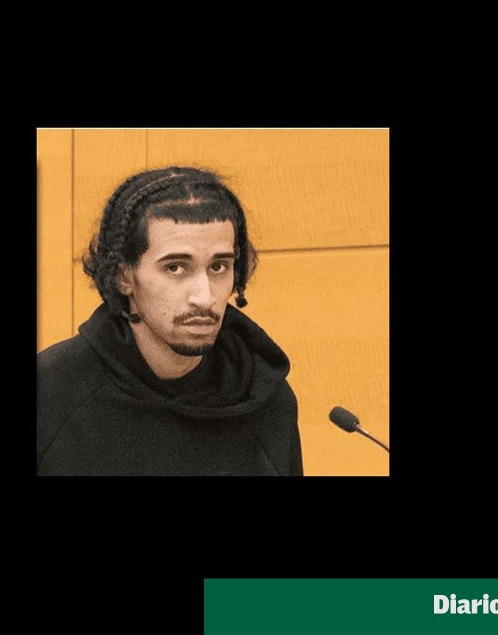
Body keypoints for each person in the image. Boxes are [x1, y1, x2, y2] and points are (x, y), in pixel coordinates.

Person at [37, 166, 302, 476]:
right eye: (176, 268)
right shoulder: (51, 393)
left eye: (218, 267)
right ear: (124, 276)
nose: (204, 297)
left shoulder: (263, 395)